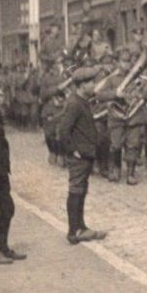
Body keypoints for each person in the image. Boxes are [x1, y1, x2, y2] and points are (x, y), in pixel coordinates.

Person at [56, 66, 109, 242]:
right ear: (81, 85)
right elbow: (63, 131)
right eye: (90, 82)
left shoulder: (80, 101)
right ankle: (73, 232)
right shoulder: (74, 103)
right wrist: (74, 151)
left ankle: (81, 226)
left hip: (86, 154)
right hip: (79, 156)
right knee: (76, 190)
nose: (94, 85)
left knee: (81, 190)